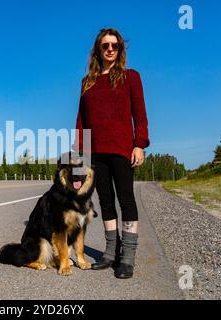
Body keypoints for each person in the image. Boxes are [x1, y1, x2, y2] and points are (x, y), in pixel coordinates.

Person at [73, 28, 150, 279]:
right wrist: (81, 154)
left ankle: (127, 256)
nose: (109, 49)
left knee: (126, 199)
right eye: (105, 45)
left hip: (121, 149)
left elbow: (140, 114)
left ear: (120, 50)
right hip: (96, 152)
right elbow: (81, 120)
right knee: (105, 202)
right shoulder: (88, 82)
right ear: (97, 49)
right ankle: (109, 251)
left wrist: (139, 144)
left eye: (114, 46)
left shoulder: (131, 77)